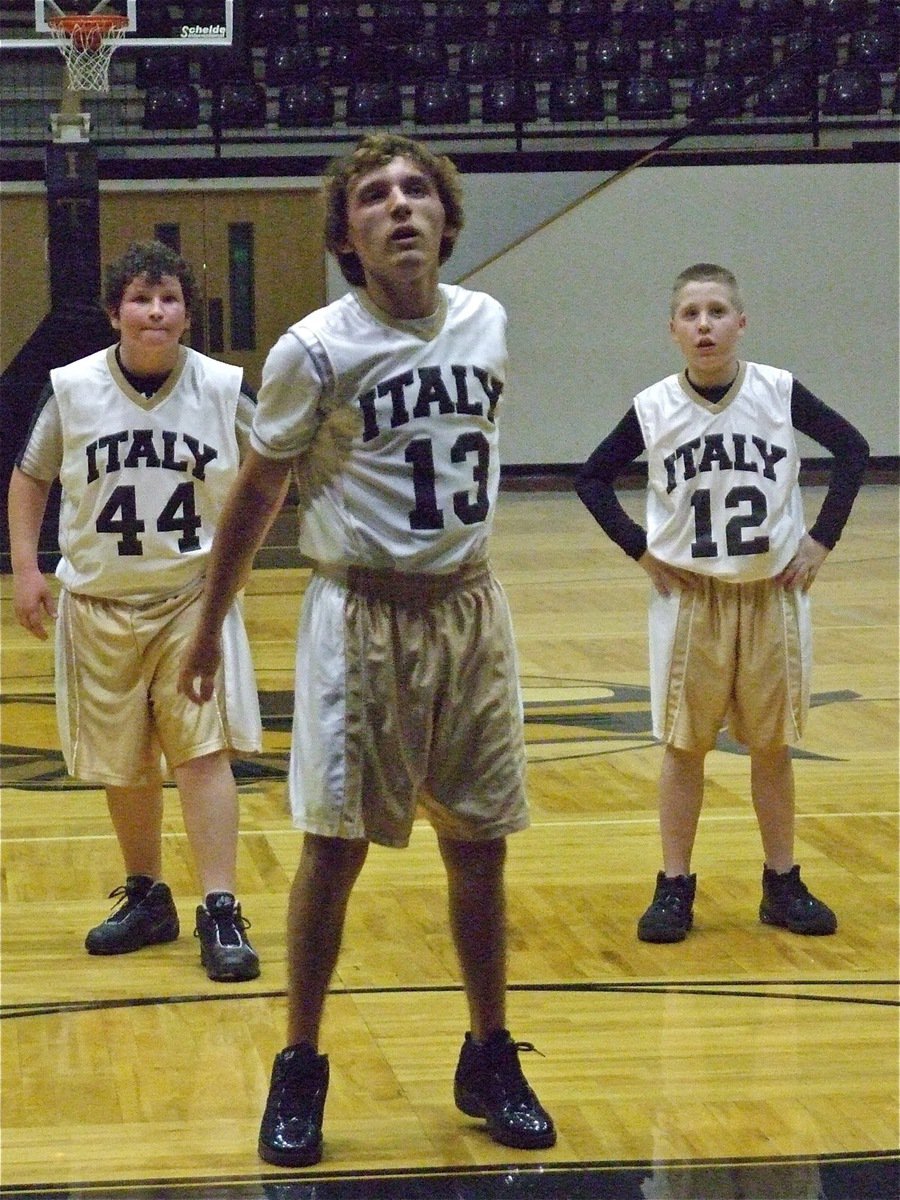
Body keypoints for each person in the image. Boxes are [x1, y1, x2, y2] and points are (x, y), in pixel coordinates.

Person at [177, 133, 556, 1167]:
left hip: (470, 609)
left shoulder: (487, 323)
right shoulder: (313, 350)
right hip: (360, 613)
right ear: (347, 232)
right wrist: (212, 623)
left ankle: (488, 1051)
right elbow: (259, 491)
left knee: (480, 842)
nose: (400, 207)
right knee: (334, 848)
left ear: (446, 216)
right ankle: (299, 1064)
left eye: (417, 191)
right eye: (376, 196)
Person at [576, 263, 869, 944]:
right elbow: (590, 477)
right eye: (690, 313)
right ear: (673, 329)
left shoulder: (778, 392)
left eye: (716, 312)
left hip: (771, 591)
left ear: (741, 323)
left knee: (770, 746)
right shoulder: (654, 406)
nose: (704, 324)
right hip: (691, 597)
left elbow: (853, 450)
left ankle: (782, 881)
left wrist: (822, 539)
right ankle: (674, 884)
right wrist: (639, 547)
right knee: (684, 748)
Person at [8, 239, 262, 983]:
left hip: (192, 596)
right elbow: (29, 479)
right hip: (97, 598)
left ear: (187, 313)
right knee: (124, 762)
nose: (156, 311)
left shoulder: (222, 388)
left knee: (201, 754)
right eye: (142, 299)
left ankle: (221, 905)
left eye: (170, 298)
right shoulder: (72, 389)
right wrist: (27, 569)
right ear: (117, 311)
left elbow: (270, 475)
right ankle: (149, 895)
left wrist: (237, 567)